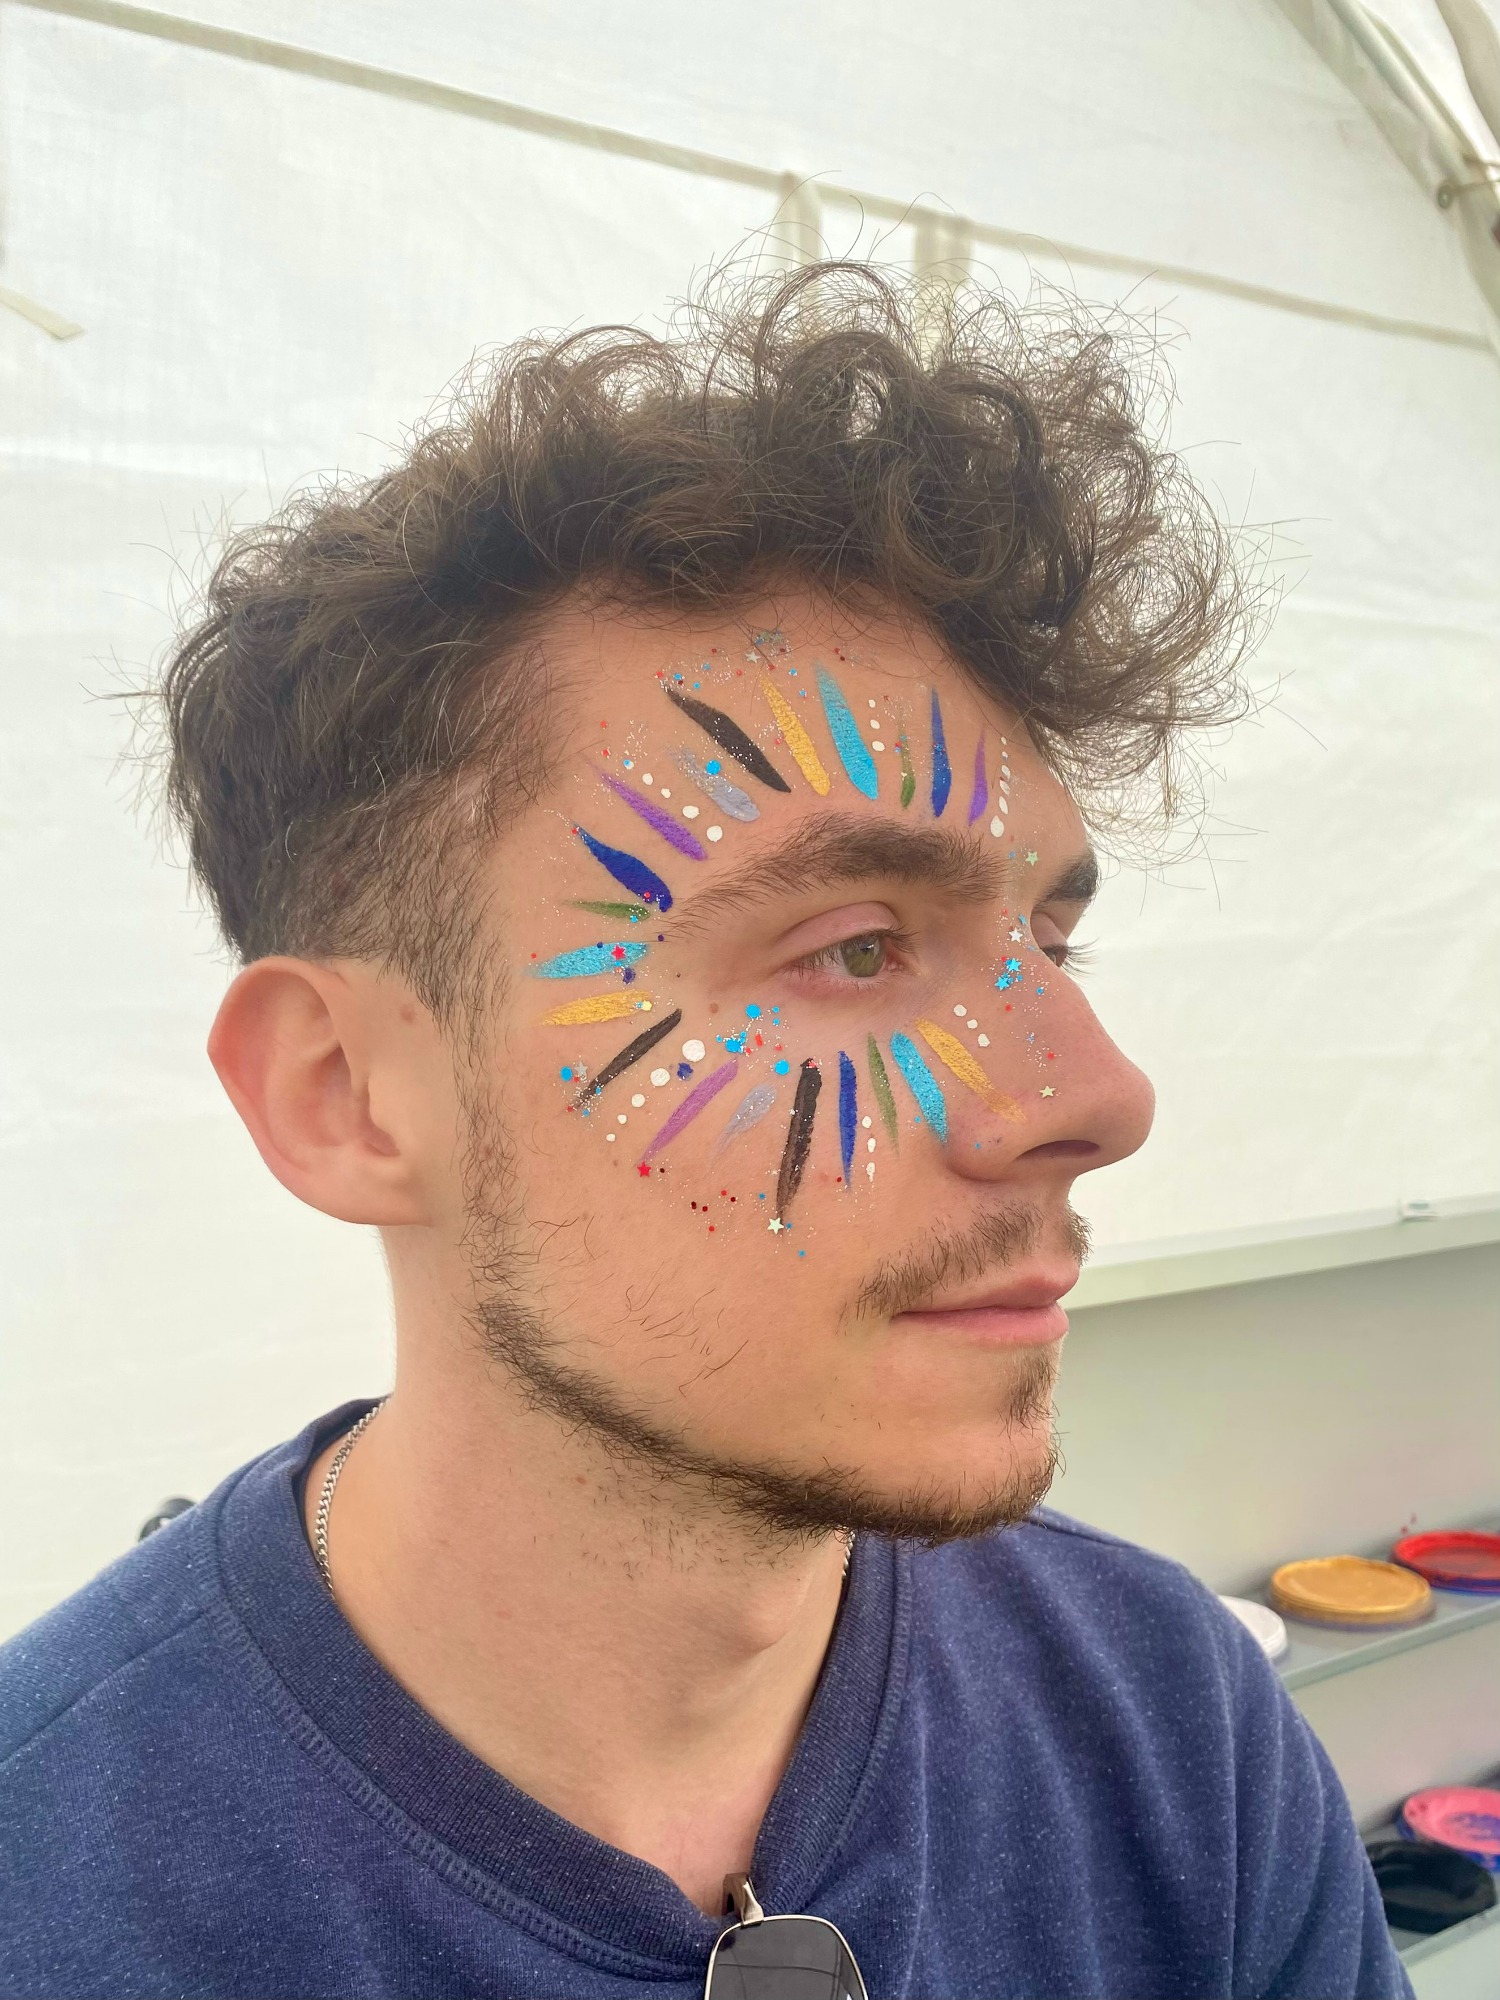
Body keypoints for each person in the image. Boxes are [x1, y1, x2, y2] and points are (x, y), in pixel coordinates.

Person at [0, 265, 1410, 1999]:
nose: (1097, 1097)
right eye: (856, 949)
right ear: (344, 1095)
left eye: (1049, 941)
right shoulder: (52, 1896)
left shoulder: (1168, 1719)